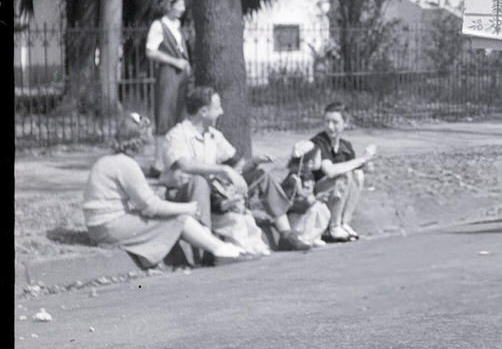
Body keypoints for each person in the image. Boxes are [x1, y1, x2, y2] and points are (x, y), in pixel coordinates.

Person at [161, 86, 314, 252]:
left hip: (215, 193)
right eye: (218, 107)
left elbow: (236, 168)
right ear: (203, 112)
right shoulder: (177, 135)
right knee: (199, 181)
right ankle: (207, 243)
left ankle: (285, 233)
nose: (222, 112)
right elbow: (186, 165)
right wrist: (222, 170)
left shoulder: (213, 135)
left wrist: (254, 162)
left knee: (260, 175)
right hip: (188, 195)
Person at [83, 111, 247, 267]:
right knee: (180, 220)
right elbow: (150, 206)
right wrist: (186, 208)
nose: (148, 146)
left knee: (171, 219)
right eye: (147, 141)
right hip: (109, 227)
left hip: (99, 226)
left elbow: (141, 199)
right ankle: (219, 249)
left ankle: (218, 247)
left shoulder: (107, 160)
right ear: (139, 142)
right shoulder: (126, 164)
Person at [303, 101, 376, 242]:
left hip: (333, 192)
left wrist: (366, 165)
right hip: (316, 193)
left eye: (335, 122)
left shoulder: (345, 146)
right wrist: (361, 160)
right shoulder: (319, 142)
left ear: (345, 123)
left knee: (357, 175)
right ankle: (333, 226)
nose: (330, 127)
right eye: (327, 121)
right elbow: (329, 171)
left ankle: (344, 222)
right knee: (343, 175)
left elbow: (355, 168)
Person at [145, 0, 191, 171]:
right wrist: (174, 61)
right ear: (169, 6)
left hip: (181, 75)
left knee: (180, 116)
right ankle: (158, 163)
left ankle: (174, 160)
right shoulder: (159, 25)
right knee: (164, 115)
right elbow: (150, 52)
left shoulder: (177, 25)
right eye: (179, 5)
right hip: (168, 74)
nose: (183, 8)